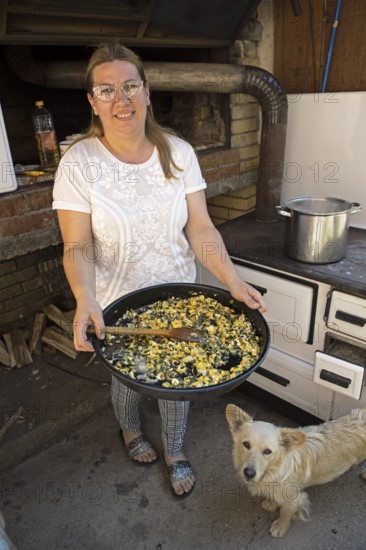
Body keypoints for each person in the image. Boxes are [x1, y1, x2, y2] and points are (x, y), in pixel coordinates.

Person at [52, 41, 266, 498]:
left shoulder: (179, 153)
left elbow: (202, 231)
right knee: (127, 383)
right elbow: (78, 244)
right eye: (106, 90)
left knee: (177, 384)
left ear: (147, 92)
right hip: (119, 306)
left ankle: (174, 450)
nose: (121, 99)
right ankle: (130, 431)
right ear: (92, 100)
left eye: (130, 86)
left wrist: (232, 281)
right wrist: (86, 300)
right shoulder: (79, 163)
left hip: (179, 297)